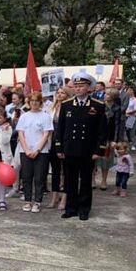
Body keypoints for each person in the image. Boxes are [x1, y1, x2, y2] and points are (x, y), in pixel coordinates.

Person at [55, 72, 107, 221]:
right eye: (76, 86)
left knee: (85, 181)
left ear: (89, 88)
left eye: (81, 86)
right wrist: (59, 148)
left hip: (87, 150)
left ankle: (84, 208)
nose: (78, 89)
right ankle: (70, 208)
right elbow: (61, 129)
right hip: (70, 149)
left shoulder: (98, 106)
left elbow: (102, 131)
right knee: (70, 180)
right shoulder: (67, 105)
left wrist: (99, 150)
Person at [16, 92, 53, 213]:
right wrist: (26, 149)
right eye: (32, 101)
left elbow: (46, 134)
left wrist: (37, 149)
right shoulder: (24, 116)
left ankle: (37, 201)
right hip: (25, 151)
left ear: (40, 102)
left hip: (41, 152)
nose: (34, 103)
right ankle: (27, 200)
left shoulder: (45, 116)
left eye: (36, 101)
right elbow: (21, 134)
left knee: (39, 177)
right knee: (26, 177)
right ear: (29, 102)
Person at [47, 87, 73, 209]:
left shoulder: (70, 107)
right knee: (55, 171)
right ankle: (54, 196)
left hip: (66, 142)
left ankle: (65, 198)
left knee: (67, 171)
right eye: (58, 93)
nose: (60, 95)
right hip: (52, 141)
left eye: (62, 93)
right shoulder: (51, 108)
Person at [125, 86, 136, 151]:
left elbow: (135, 109)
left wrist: (128, 112)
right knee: (127, 131)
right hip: (126, 116)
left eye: (129, 90)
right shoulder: (126, 99)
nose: (127, 91)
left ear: (132, 91)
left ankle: (133, 144)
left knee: (132, 131)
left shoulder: (135, 100)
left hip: (131, 116)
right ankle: (130, 142)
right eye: (127, 90)